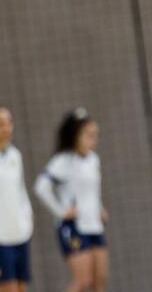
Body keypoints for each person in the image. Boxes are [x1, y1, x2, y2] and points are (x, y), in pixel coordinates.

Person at [33, 110, 107, 292]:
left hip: (94, 225)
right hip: (74, 227)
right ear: (76, 136)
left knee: (101, 279)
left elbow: (92, 191)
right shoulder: (63, 161)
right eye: (89, 136)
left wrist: (100, 208)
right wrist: (61, 211)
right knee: (83, 281)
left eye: (95, 136)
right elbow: (41, 187)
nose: (93, 140)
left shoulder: (93, 160)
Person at [0, 107, 34, 292]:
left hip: (20, 234)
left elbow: (21, 192)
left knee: (22, 287)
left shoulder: (15, 155)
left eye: (9, 123)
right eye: (0, 124)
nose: (6, 128)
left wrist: (27, 220)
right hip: (1, 239)